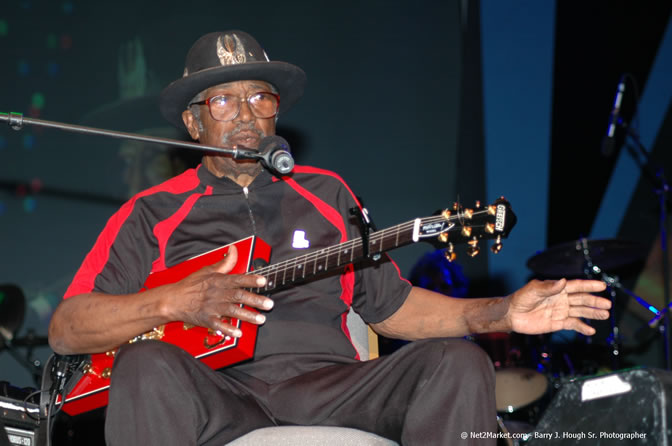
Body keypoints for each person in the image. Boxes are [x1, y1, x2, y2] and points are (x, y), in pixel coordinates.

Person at [48, 30, 610, 446]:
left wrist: (503, 312)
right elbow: (67, 327)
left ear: (276, 114)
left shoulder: (328, 193)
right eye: (223, 101)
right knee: (145, 367)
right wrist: (175, 300)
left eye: (260, 98)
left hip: (329, 386)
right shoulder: (153, 212)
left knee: (458, 365)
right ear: (195, 125)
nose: (246, 114)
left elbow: (393, 308)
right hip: (216, 394)